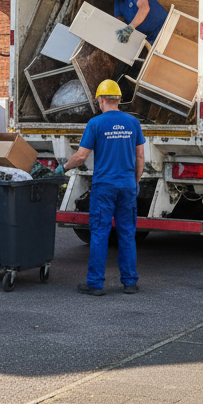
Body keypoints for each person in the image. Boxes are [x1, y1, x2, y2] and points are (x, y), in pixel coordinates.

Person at [62, 79, 145, 296]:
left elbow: (81, 156)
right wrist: (134, 181)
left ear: (100, 100)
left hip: (104, 187)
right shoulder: (133, 123)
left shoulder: (95, 124)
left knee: (100, 234)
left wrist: (64, 167)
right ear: (118, 99)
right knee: (127, 234)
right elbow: (140, 156)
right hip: (127, 186)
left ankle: (95, 284)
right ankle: (130, 283)